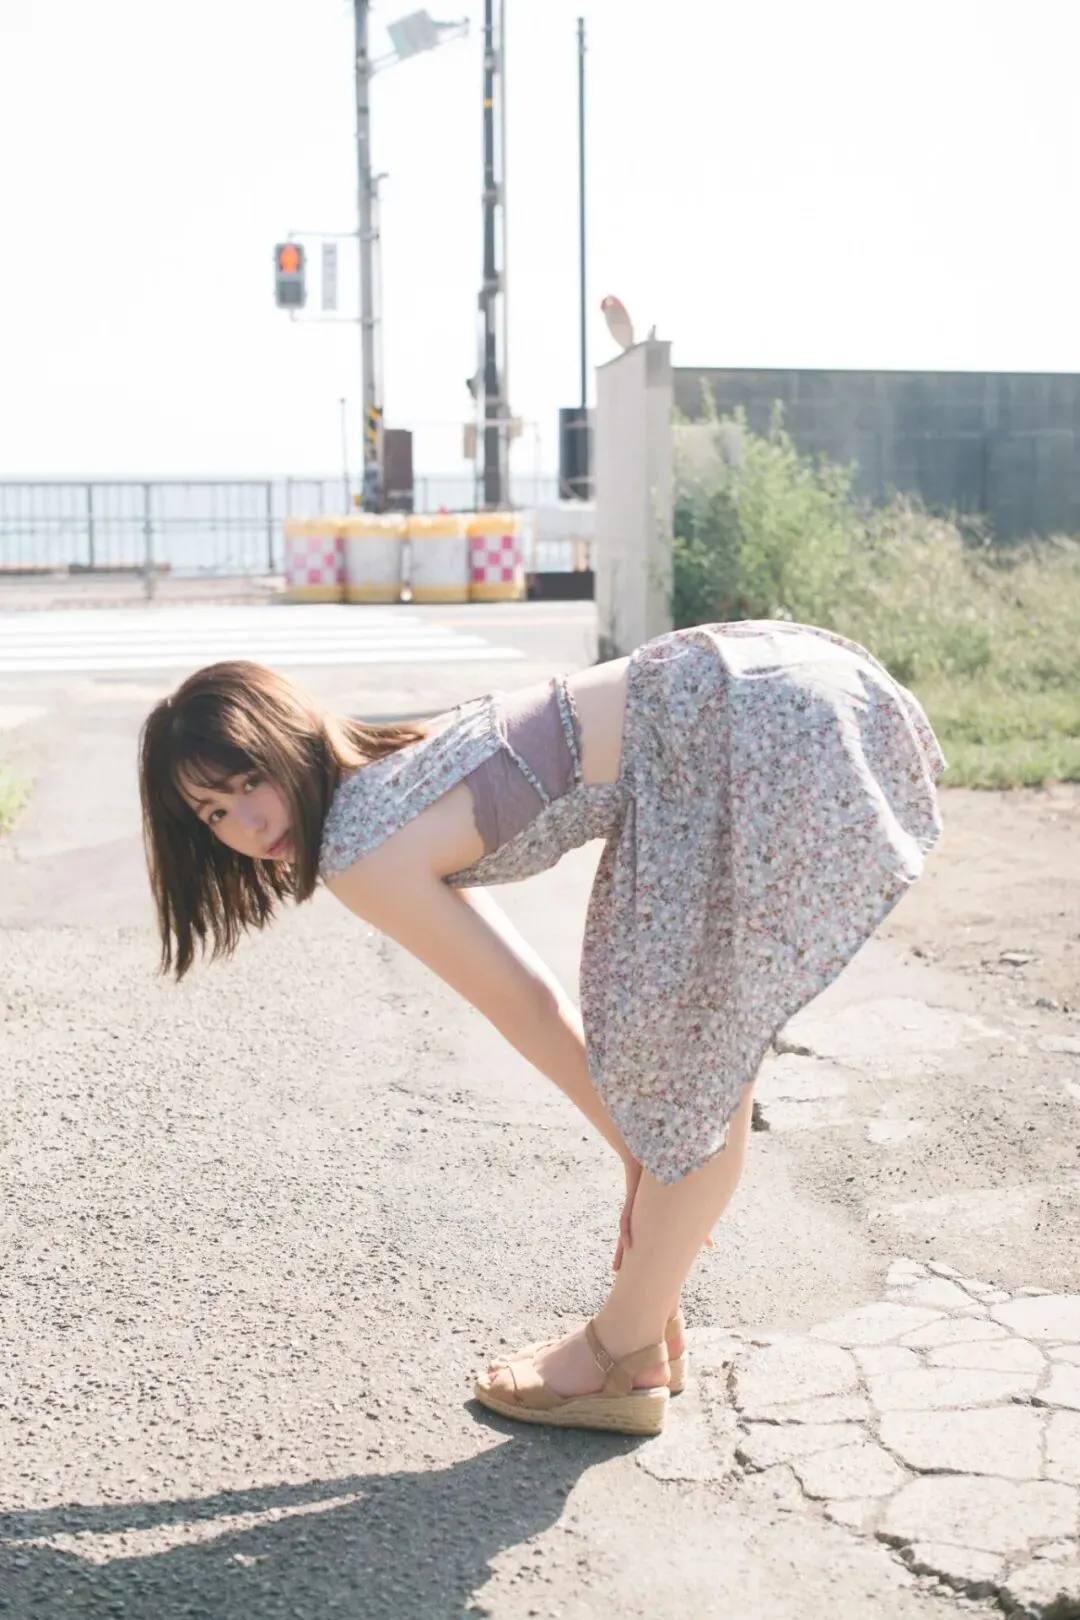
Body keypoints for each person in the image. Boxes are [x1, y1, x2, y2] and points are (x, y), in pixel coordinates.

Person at [139, 620, 945, 1438]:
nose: (246, 824)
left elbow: (524, 1005)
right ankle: (644, 1325)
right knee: (689, 1074)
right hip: (752, 687)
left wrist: (643, 1152)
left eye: (249, 781)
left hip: (733, 728)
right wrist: (640, 1153)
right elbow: (535, 997)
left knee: (687, 1076)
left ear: (286, 735)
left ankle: (621, 1352)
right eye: (214, 813)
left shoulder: (357, 845)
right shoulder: (391, 769)